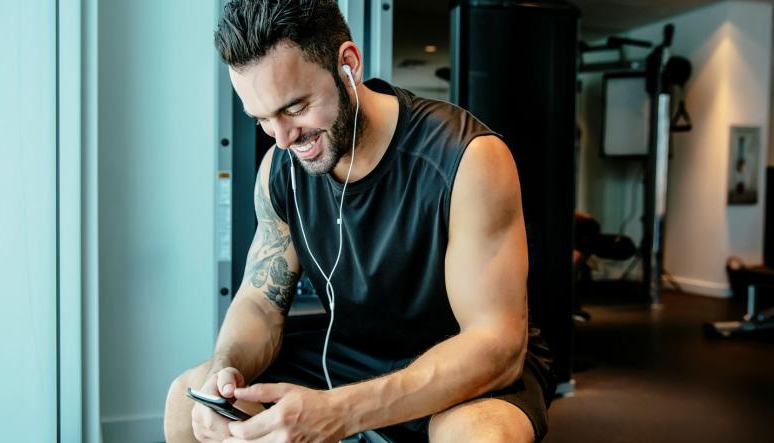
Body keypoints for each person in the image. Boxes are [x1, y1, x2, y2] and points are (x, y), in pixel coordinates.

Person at [164, 1, 553, 441]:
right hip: (347, 356)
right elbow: (259, 302)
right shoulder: (280, 167)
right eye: (262, 119)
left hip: (459, 368)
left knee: (480, 436)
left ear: (347, 64)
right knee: (186, 401)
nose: (284, 138)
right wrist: (223, 369)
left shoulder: (468, 159)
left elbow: (495, 345)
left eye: (295, 108)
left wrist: (341, 411)